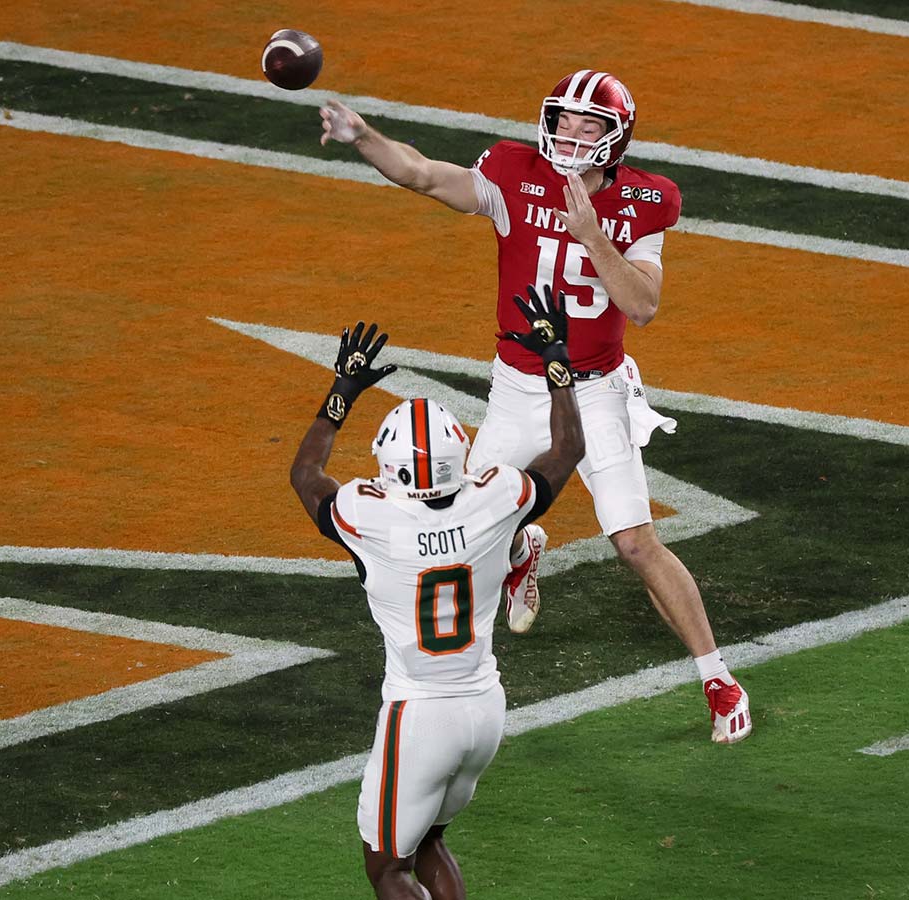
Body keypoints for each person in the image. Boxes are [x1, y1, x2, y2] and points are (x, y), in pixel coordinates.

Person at [319, 71, 751, 744]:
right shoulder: (513, 171)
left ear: (615, 138)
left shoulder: (645, 199)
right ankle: (522, 546)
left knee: (635, 542)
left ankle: (718, 679)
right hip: (519, 387)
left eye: (588, 125)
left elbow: (641, 306)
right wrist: (362, 136)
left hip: (596, 391)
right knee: (465, 517)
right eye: (564, 119)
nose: (571, 135)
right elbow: (427, 176)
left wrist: (591, 233)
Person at [291, 289, 585, 900]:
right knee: (428, 842)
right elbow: (567, 451)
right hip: (485, 708)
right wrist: (557, 359)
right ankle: (520, 557)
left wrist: (341, 395)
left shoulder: (371, 519)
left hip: (420, 713)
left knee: (386, 869)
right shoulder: (494, 497)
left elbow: (306, 476)